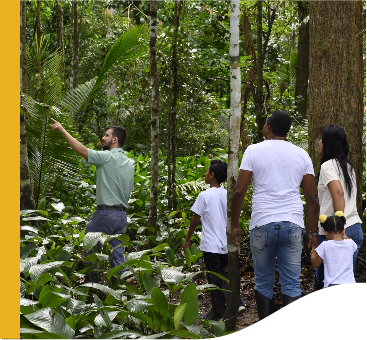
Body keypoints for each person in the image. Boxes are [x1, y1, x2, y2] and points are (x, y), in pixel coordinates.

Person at [230, 110, 320, 321]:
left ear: (268, 127)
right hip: (292, 224)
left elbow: (238, 192)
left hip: (262, 223)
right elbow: (312, 198)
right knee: (291, 283)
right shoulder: (301, 154)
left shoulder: (253, 151)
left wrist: (235, 224)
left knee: (263, 282)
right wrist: (314, 232)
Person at [50, 118, 134, 283]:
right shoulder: (129, 163)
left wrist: (62, 130)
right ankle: (118, 290)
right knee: (117, 253)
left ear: (115, 140)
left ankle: (93, 282)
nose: (103, 138)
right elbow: (129, 191)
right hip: (121, 215)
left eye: (106, 135)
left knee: (89, 242)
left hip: (105, 213)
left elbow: (81, 150)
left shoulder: (106, 157)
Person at [181, 160, 245, 320]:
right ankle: (236, 304)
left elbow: (195, 220)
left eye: (207, 171)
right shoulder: (228, 195)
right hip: (226, 244)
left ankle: (218, 312)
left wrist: (187, 240)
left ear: (212, 175)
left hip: (211, 245)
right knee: (225, 275)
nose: (205, 174)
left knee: (214, 279)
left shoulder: (204, 196)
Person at [314, 125, 363, 290]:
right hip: (354, 228)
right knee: (345, 278)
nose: (319, 142)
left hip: (337, 231)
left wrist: (339, 228)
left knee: (324, 280)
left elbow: (338, 194)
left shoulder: (327, 166)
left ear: (327, 144)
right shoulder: (348, 166)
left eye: (322, 139)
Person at [311, 212, 356, 288]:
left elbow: (315, 264)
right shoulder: (351, 243)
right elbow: (350, 241)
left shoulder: (325, 245)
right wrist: (343, 235)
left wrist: (313, 248)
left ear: (325, 232)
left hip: (332, 283)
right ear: (343, 231)